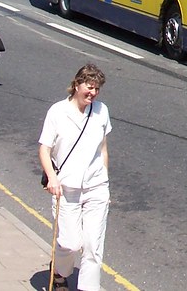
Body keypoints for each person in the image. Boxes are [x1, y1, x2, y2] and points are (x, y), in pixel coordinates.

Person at [39, 64, 112, 291]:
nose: (93, 93)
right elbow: (44, 148)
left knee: (93, 246)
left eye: (97, 89)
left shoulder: (101, 111)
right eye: (89, 88)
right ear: (77, 85)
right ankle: (59, 272)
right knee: (70, 243)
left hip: (96, 186)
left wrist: (105, 182)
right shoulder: (58, 112)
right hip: (66, 188)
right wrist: (52, 178)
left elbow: (103, 149)